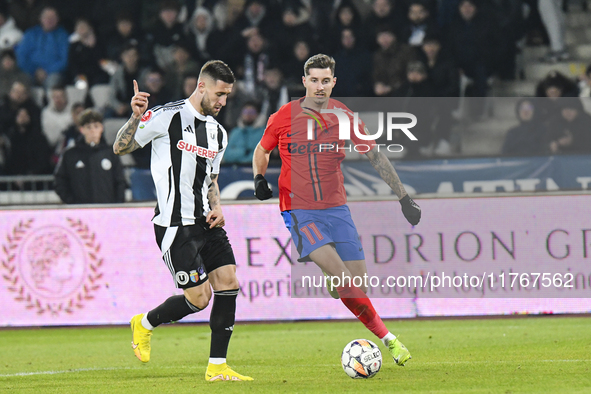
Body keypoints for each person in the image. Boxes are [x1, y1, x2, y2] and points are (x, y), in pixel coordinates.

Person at [252, 54, 421, 367]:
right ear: (304, 82)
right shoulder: (283, 116)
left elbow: (376, 157)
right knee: (345, 281)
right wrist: (259, 177)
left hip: (337, 209)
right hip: (300, 211)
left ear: (334, 82)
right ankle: (390, 340)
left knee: (356, 287)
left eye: (325, 80)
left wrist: (403, 197)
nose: (319, 86)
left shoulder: (344, 116)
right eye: (314, 80)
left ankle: (334, 279)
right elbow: (262, 150)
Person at [112, 60, 253, 382]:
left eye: (228, 95)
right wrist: (135, 118)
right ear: (201, 86)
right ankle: (145, 322)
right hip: (175, 225)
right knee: (199, 299)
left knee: (229, 282)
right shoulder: (166, 116)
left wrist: (218, 207)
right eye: (219, 94)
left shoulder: (218, 133)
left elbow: (211, 180)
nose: (223, 102)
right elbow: (122, 147)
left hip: (207, 221)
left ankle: (218, 366)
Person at [54, 109, 125, 204]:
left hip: (107, 211)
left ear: (101, 128)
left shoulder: (111, 153)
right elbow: (60, 181)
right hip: (80, 212)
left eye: (96, 126)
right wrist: (72, 202)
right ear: (81, 130)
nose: (93, 131)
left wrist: (117, 205)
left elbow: (120, 181)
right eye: (88, 127)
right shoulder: (70, 155)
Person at [15, 6, 69, 89]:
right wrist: (34, 70)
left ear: (57, 19)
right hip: (30, 72)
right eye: (46, 17)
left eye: (52, 18)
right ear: (41, 19)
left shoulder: (63, 35)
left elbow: (64, 60)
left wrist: (47, 71)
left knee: (53, 83)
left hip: (52, 73)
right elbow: (21, 56)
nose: (49, 20)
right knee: (21, 83)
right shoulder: (30, 33)